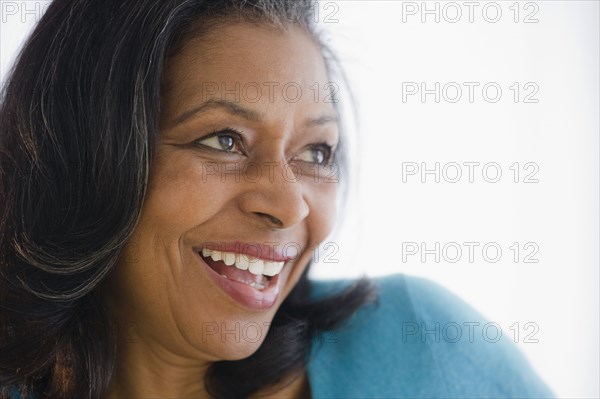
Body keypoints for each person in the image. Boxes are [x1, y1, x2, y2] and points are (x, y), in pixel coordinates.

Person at [0, 1, 554, 398]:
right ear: (80, 158)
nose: (290, 207)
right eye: (224, 140)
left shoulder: (425, 348)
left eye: (316, 152)